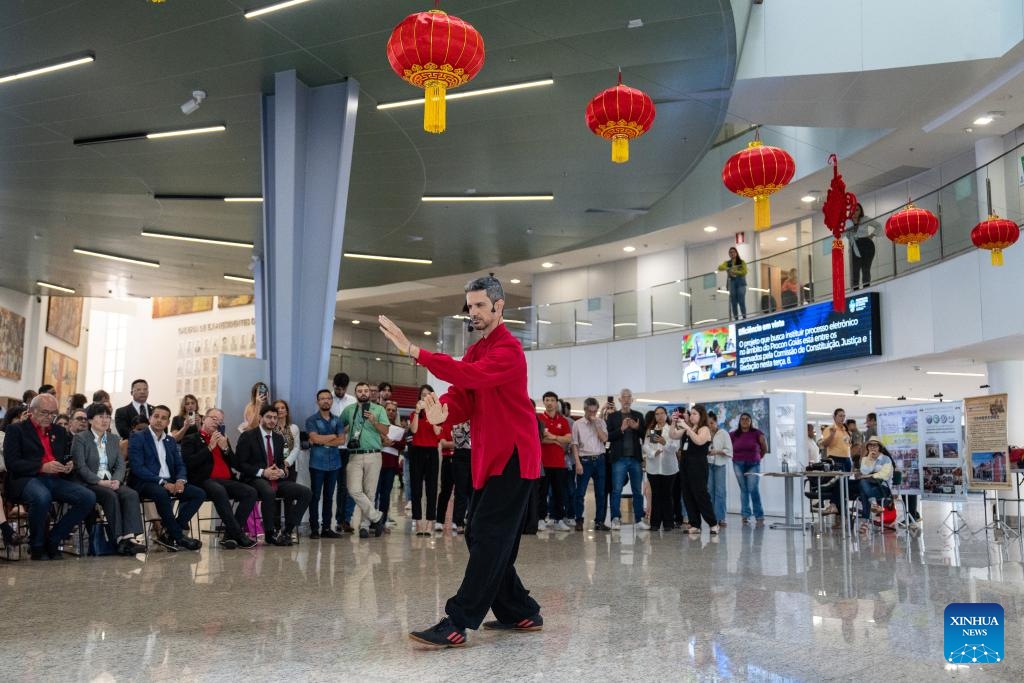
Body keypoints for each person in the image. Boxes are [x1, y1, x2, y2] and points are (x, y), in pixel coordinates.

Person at [379, 274, 543, 648]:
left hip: (514, 455)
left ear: (499, 306)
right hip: (490, 456)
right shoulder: (475, 350)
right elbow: (463, 395)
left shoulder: (509, 350)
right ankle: (520, 610)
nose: (474, 313)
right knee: (481, 535)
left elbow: (472, 376)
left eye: (481, 305)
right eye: (470, 306)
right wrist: (444, 411)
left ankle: (459, 620)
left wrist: (415, 351)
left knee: (488, 534)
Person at [2, 394, 96, 560]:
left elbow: (65, 455)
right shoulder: (16, 430)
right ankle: (37, 546)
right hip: (25, 479)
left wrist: (69, 463)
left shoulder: (59, 431)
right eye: (45, 412)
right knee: (42, 496)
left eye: (53, 413)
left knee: (88, 497)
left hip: (54, 479)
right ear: (31, 410)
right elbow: (12, 463)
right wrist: (41, 466)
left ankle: (53, 539)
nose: (49, 417)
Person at [70, 403, 147, 556]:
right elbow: (81, 467)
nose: (105, 420)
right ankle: (119, 539)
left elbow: (120, 464)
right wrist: (99, 482)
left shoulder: (113, 438)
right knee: (110, 496)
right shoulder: (80, 438)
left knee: (131, 494)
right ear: (90, 420)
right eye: (100, 416)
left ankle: (130, 538)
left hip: (111, 481)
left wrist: (117, 480)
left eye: (107, 417)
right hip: (89, 482)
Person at [128, 405, 205, 552]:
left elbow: (180, 464)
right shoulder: (138, 437)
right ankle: (179, 537)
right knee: (161, 492)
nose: (159, 420)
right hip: (146, 481)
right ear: (150, 418)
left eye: (163, 418)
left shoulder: (170, 440)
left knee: (199, 494)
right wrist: (162, 482)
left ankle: (170, 532)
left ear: (168, 422)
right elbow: (138, 468)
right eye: (156, 416)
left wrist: (180, 480)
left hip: (170, 481)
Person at [180, 408, 258, 549]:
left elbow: (236, 465)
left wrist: (225, 449)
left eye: (220, 421)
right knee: (218, 490)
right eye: (214, 418)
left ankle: (229, 534)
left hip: (226, 480)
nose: (217, 423)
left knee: (251, 492)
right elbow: (189, 463)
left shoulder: (222, 439)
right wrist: (209, 448)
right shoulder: (191, 439)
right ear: (204, 419)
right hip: (204, 480)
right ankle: (238, 535)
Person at [235, 405, 312, 546]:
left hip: (275, 479)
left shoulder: (278, 438)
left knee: (306, 492)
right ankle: (270, 534)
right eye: (269, 417)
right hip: (254, 478)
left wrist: (281, 471)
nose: (272, 420)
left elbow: (281, 462)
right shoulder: (248, 436)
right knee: (269, 492)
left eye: (275, 418)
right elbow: (240, 464)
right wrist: (263, 472)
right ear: (261, 418)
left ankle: (287, 532)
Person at [338, 382, 389, 539]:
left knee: (370, 492)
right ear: (356, 393)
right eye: (360, 391)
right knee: (353, 489)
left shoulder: (379, 409)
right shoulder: (349, 410)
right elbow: (339, 426)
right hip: (354, 455)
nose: (363, 393)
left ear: (370, 393)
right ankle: (377, 517)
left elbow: (386, 430)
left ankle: (365, 526)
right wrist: (345, 432)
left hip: (374, 454)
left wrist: (374, 421)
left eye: (366, 390)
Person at [305, 389, 346, 539]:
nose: (325, 401)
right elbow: (314, 439)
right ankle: (314, 528)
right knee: (315, 496)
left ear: (331, 401)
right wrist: (333, 436)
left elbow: (342, 440)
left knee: (329, 497)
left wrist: (323, 440)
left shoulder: (337, 420)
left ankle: (327, 528)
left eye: (328, 398)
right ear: (317, 402)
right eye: (322, 399)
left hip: (334, 463)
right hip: (317, 463)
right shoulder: (311, 420)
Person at [673, 405, 719, 535]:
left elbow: (699, 441)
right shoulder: (689, 428)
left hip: (698, 465)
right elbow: (673, 435)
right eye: (691, 413)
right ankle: (695, 524)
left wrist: (687, 428)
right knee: (687, 494)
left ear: (701, 415)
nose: (691, 416)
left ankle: (713, 523)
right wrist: (673, 423)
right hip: (685, 464)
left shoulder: (704, 429)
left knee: (701, 494)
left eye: (694, 414)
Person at [606, 388, 645, 530]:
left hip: (635, 459)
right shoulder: (612, 417)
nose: (626, 399)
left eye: (629, 397)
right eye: (624, 397)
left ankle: (639, 519)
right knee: (616, 490)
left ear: (632, 400)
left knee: (637, 491)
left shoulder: (638, 415)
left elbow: (645, 435)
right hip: (619, 459)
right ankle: (615, 518)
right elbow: (608, 436)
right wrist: (621, 429)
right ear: (620, 400)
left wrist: (636, 428)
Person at [408, 383, 442, 536]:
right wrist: (417, 411)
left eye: (428, 395)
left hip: (432, 452)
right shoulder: (414, 414)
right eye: (423, 395)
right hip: (417, 451)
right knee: (416, 488)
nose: (425, 397)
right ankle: (418, 521)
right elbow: (414, 430)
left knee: (432, 488)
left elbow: (437, 432)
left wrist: (432, 412)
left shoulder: (437, 414)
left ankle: (430, 522)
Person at [538, 391, 573, 531]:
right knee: (542, 492)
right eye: (547, 400)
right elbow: (540, 439)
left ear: (556, 402)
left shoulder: (563, 420)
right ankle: (541, 519)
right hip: (543, 463)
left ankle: (559, 519)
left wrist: (553, 437)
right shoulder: (539, 418)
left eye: (552, 400)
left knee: (559, 492)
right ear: (544, 402)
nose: (550, 403)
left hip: (559, 463)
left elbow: (569, 438)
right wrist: (558, 440)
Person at [572, 397, 608, 531]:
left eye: (595, 411)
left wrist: (596, 425)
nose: (592, 414)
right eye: (590, 411)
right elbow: (574, 444)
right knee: (580, 492)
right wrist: (577, 463)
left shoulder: (601, 422)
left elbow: (604, 439)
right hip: (584, 460)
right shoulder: (577, 424)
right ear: (585, 410)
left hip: (600, 460)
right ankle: (579, 520)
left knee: (601, 493)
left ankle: (599, 521)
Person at [642, 407, 679, 531]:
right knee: (656, 495)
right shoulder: (652, 430)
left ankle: (668, 523)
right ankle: (655, 523)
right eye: (657, 414)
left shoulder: (672, 429)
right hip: (653, 468)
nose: (659, 416)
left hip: (669, 468)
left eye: (662, 413)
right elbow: (646, 446)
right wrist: (653, 453)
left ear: (666, 414)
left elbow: (675, 448)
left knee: (667, 495)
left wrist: (665, 443)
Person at [330, 372, 357, 534]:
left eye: (342, 389)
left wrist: (342, 430)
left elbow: (354, 423)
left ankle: (343, 520)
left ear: (347, 387)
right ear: (333, 385)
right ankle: (327, 521)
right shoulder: (328, 399)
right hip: (331, 448)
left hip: (347, 448)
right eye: (337, 388)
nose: (339, 391)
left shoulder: (352, 401)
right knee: (330, 486)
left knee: (345, 486)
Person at [730, 412, 769, 526]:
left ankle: (759, 515)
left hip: (753, 464)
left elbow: (764, 447)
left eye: (747, 419)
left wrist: (759, 457)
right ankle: (745, 515)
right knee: (744, 489)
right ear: (739, 421)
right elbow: (728, 447)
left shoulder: (757, 433)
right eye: (742, 419)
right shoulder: (733, 434)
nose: (745, 421)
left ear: (751, 421)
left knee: (753, 489)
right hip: (738, 464)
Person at [375, 400, 406, 530]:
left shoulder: (399, 429)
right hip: (376, 464)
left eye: (393, 410)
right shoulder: (376, 426)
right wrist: (382, 442)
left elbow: (402, 445)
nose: (391, 412)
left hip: (391, 465)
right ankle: (372, 520)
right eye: (388, 409)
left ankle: (382, 521)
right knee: (373, 493)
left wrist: (391, 442)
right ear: (384, 411)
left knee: (386, 495)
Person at [855, 436, 893, 534]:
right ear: (867, 447)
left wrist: (869, 476)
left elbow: (884, 475)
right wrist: (870, 459)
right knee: (863, 485)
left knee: (863, 487)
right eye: (870, 445)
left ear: (879, 447)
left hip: (883, 488)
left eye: (875, 445)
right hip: (870, 487)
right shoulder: (865, 459)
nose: (872, 447)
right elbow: (864, 471)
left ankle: (865, 521)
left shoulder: (886, 459)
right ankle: (874, 503)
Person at [821, 408, 853, 517]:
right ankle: (833, 504)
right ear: (834, 417)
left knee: (844, 485)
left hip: (847, 459)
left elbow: (848, 445)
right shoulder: (830, 429)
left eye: (844, 416)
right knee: (839, 483)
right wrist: (832, 434)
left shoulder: (845, 429)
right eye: (840, 415)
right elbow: (824, 444)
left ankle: (841, 512)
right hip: (835, 459)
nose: (842, 418)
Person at [706, 410, 732, 526]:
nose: (710, 426)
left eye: (712, 423)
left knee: (720, 491)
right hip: (708, 464)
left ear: (716, 422)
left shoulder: (723, 433)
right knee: (710, 491)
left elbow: (729, 450)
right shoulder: (705, 433)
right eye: (708, 424)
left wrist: (717, 451)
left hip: (720, 465)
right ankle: (713, 518)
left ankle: (721, 517)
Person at [847, 203, 879, 290]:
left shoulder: (865, 219)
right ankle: (855, 291)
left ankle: (866, 288)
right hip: (854, 245)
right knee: (855, 270)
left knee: (866, 269)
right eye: (853, 210)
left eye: (857, 210)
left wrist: (872, 235)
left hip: (866, 244)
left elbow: (878, 226)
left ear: (860, 211)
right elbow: (845, 234)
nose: (855, 212)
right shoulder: (848, 222)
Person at [272, 399, 302, 479]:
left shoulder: (294, 428)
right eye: (277, 408)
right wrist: (280, 465)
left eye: (282, 408)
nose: (280, 410)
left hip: (290, 464)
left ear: (287, 411)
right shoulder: (270, 429)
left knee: (291, 486)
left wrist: (286, 462)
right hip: (274, 466)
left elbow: (296, 448)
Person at [717, 246, 748, 320]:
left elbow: (744, 272)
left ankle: (744, 317)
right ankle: (736, 319)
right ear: (729, 254)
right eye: (730, 252)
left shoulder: (741, 262)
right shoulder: (727, 263)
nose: (732, 253)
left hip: (741, 282)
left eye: (733, 252)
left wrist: (735, 271)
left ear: (736, 253)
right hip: (732, 282)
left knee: (741, 300)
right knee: (733, 302)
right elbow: (720, 267)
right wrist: (728, 268)